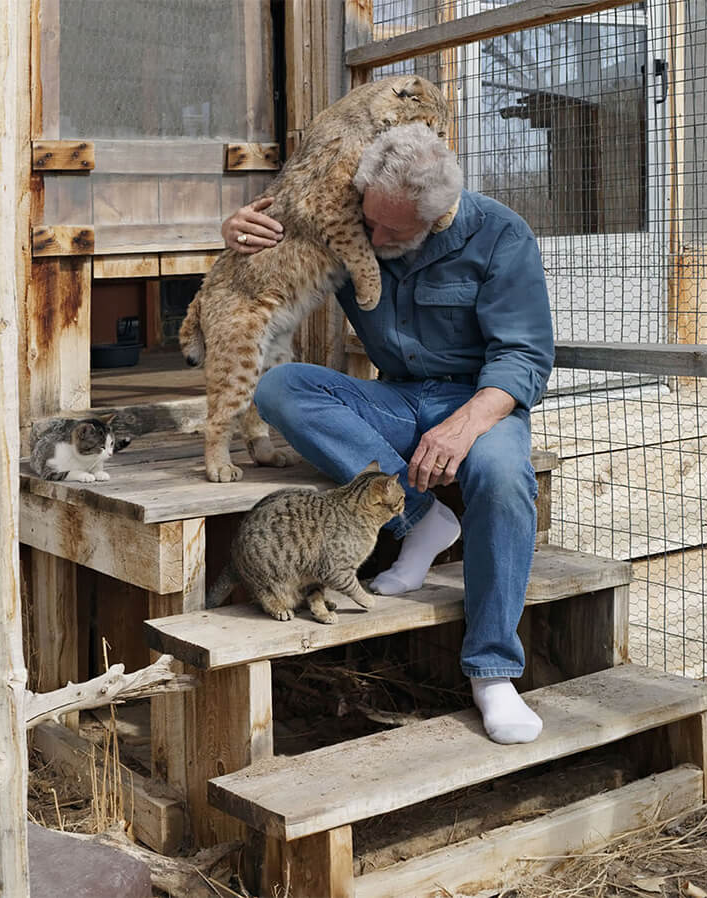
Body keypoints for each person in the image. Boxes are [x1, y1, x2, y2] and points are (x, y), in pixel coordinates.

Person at [222, 123, 554, 744]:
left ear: (438, 216)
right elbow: (268, 254)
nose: (373, 239)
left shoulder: (501, 234)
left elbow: (524, 357)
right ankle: (422, 520)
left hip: (480, 400)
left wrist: (464, 426)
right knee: (282, 386)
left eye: (392, 233)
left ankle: (491, 670)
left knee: (505, 477)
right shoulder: (355, 215)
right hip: (395, 395)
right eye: (369, 222)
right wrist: (235, 232)